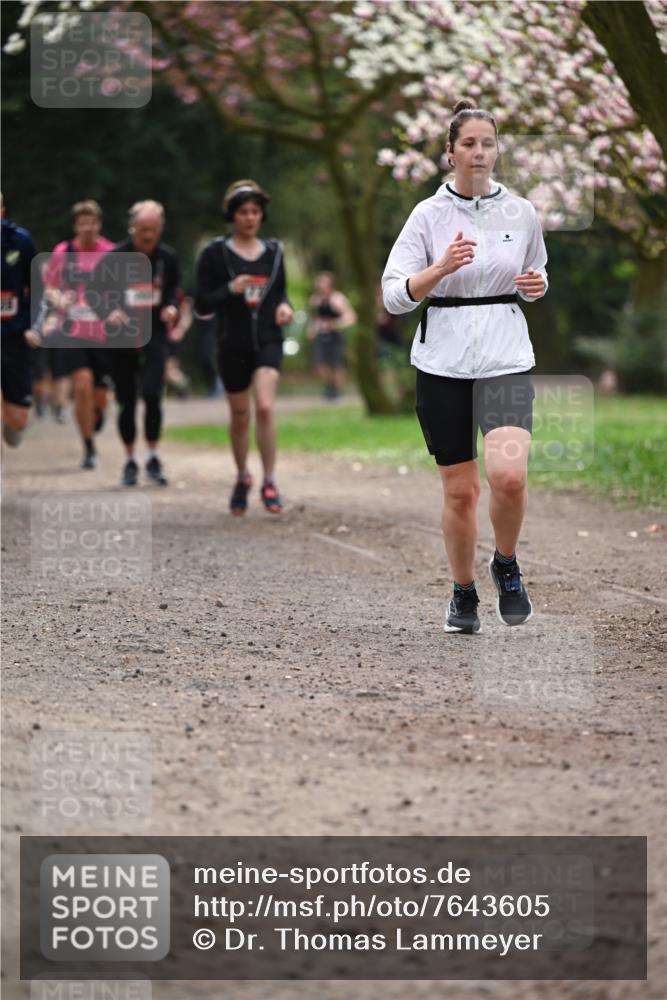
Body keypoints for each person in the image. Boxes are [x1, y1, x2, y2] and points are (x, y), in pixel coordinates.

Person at [382, 98, 548, 635]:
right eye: (469, 144)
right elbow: (394, 296)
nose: (479, 152)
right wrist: (439, 268)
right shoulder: (427, 216)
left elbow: (535, 273)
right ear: (449, 152)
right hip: (443, 360)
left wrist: (536, 286)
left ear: (497, 150)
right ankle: (462, 593)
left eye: (488, 143)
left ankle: (505, 563)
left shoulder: (521, 212)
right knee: (461, 490)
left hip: (504, 354)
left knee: (509, 477)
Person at [195, 179, 294, 515]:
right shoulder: (215, 253)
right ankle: (242, 477)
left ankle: (270, 480)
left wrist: (285, 307)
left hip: (268, 340)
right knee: (240, 417)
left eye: (255, 212)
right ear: (232, 216)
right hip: (231, 343)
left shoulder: (275, 253)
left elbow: (281, 293)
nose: (250, 218)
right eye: (243, 212)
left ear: (262, 215)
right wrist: (229, 289)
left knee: (264, 407)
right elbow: (201, 303)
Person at [87, 200, 180, 486]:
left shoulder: (168, 258)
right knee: (127, 400)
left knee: (152, 394)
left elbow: (173, 292)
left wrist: (170, 308)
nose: (148, 235)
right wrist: (108, 312)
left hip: (154, 335)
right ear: (132, 228)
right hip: (121, 337)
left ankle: (152, 455)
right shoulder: (116, 258)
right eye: (143, 229)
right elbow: (92, 293)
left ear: (160, 229)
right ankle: (129, 460)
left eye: (153, 229)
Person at [35, 200, 115, 468]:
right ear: (75, 226)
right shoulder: (63, 252)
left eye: (92, 222)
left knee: (100, 395)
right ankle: (89, 446)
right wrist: (60, 300)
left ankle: (99, 412)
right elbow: (50, 288)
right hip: (74, 329)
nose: (88, 228)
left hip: (104, 333)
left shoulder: (111, 252)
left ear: (99, 224)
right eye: (82, 223)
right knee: (81, 385)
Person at [1, 194, 36, 447]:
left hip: (15, 334)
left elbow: (39, 289)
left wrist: (35, 326)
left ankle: (11, 421)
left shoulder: (20, 241)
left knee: (18, 420)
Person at [307, 272, 356, 399]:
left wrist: (335, 324)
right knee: (319, 364)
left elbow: (351, 317)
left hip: (335, 335)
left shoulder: (337, 298)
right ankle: (330, 385)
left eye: (324, 283)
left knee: (336, 364)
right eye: (319, 282)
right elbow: (314, 318)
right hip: (320, 334)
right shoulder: (315, 299)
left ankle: (336, 390)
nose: (321, 285)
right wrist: (311, 328)